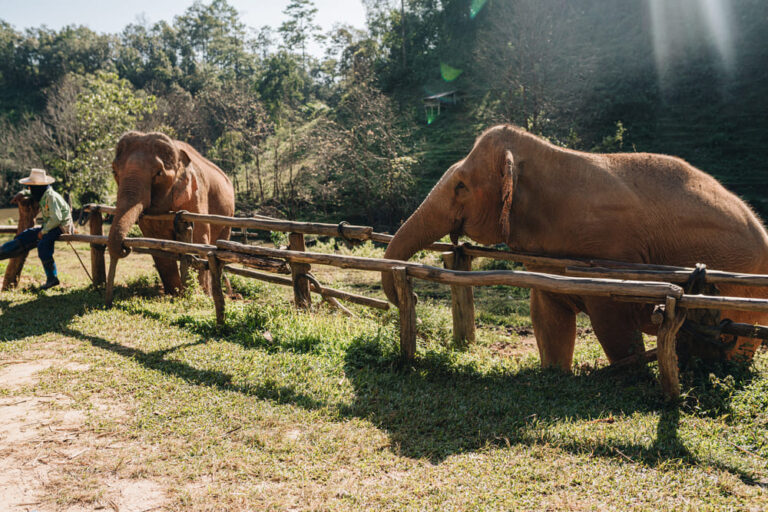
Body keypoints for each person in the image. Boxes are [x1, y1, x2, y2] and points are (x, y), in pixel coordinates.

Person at [0, 168, 73, 290]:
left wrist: (42, 232)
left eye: (31, 187)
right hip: (51, 225)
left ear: (38, 187)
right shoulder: (42, 193)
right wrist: (22, 193)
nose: (30, 189)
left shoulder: (51, 197)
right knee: (25, 235)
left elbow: (56, 219)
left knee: (43, 245)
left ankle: (52, 277)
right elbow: (30, 193)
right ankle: (3, 252)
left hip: (61, 226)